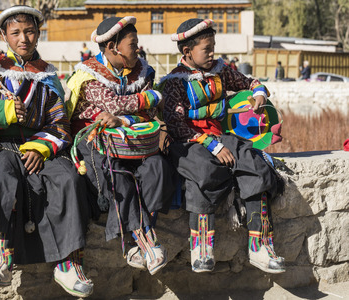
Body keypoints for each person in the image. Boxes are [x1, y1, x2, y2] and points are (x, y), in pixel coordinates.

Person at [0, 6, 93, 298]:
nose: (23, 38)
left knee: (68, 178)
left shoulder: (49, 76)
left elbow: (61, 124)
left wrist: (42, 148)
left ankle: (68, 262)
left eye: (29, 31)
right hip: (2, 146)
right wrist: (0, 111)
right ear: (4, 36)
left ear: (38, 34)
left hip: (41, 147)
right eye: (15, 32)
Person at [160, 18, 285, 274]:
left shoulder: (220, 71)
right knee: (204, 172)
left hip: (219, 135)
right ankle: (202, 247)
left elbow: (248, 82)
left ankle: (260, 245)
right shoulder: (175, 82)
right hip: (188, 141)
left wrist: (259, 92)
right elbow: (175, 124)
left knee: (255, 165)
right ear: (187, 52)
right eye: (206, 49)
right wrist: (212, 146)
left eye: (213, 47)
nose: (212, 53)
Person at [65, 16, 175, 275]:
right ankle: (146, 241)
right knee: (118, 175)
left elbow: (140, 114)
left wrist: (125, 118)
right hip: (94, 142)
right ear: (113, 47)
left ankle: (132, 245)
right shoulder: (89, 74)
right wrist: (151, 96)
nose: (137, 48)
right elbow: (113, 104)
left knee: (157, 167)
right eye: (132, 43)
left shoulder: (143, 71)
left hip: (134, 139)